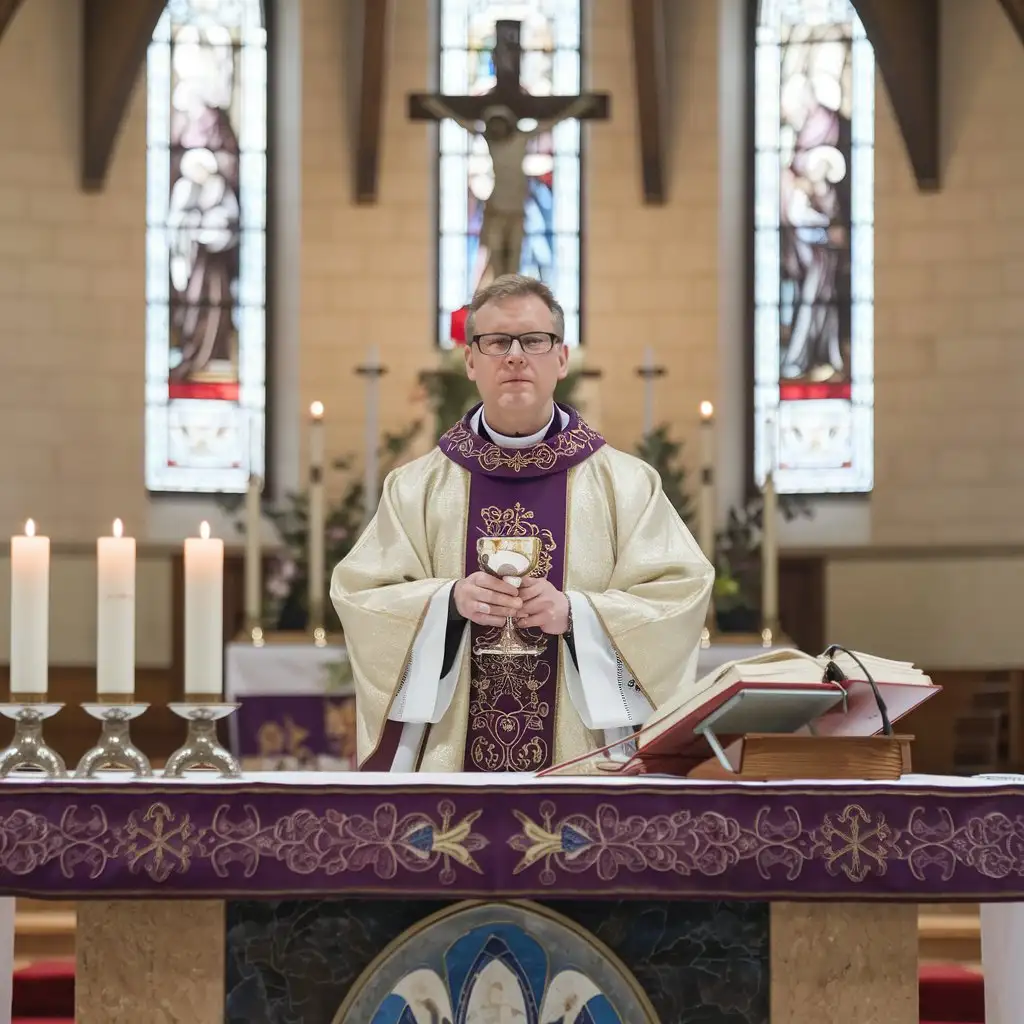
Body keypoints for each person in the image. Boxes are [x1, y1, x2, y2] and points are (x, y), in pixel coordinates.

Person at [331, 274, 714, 773]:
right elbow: (362, 594)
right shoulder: (415, 488)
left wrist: (578, 614)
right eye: (495, 342)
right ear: (471, 360)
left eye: (534, 340)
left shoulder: (627, 484)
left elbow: (680, 593)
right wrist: (447, 602)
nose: (515, 356)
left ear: (561, 357)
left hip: (581, 759)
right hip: (451, 764)